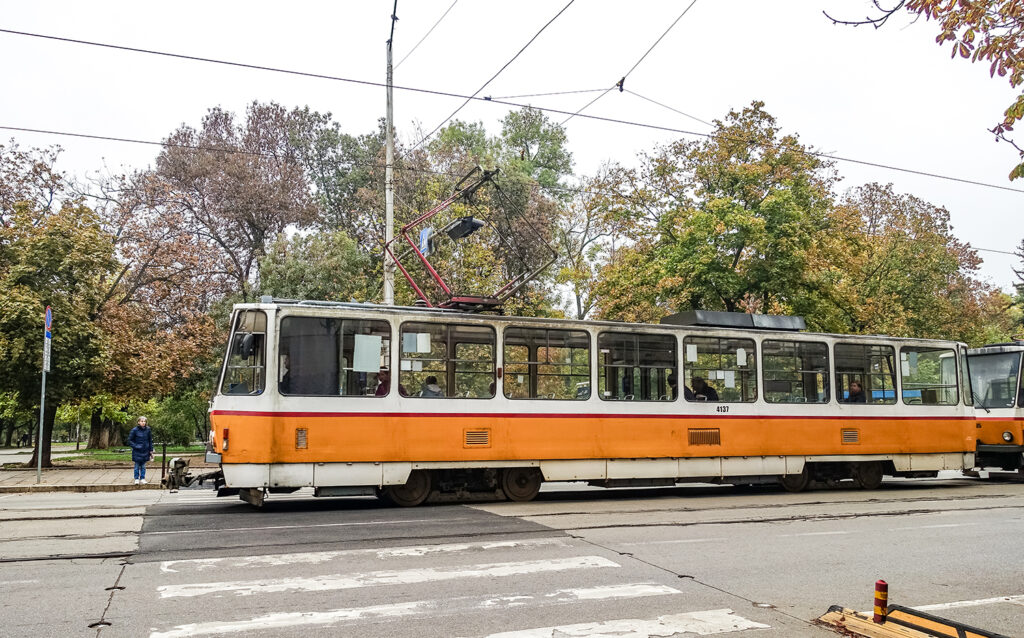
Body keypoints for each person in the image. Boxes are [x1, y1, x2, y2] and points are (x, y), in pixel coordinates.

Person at [127, 416, 154, 485]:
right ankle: (136, 478)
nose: (143, 423)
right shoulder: (134, 430)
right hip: (137, 450)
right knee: (137, 465)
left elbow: (150, 440)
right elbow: (130, 440)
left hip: (145, 450)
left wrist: (151, 450)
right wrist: (136, 446)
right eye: (142, 421)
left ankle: (142, 478)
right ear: (138, 422)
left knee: (143, 466)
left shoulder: (148, 430)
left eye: (144, 421)